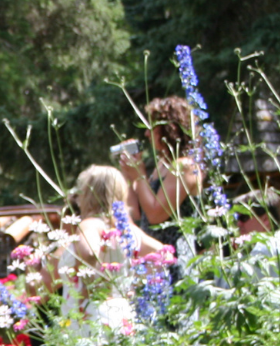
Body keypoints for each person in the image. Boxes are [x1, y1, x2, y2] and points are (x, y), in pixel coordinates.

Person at [57, 166, 165, 331]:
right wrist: (134, 282)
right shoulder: (127, 230)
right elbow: (162, 253)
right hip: (122, 314)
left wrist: (90, 287)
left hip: (89, 316)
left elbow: (89, 252)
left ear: (87, 194)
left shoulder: (90, 225)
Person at [118, 96, 205, 281]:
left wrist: (140, 175)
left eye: (152, 128)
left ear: (169, 128)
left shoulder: (186, 166)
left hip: (175, 263)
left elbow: (156, 215)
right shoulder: (162, 166)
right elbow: (138, 213)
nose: (147, 134)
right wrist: (129, 176)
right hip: (152, 263)